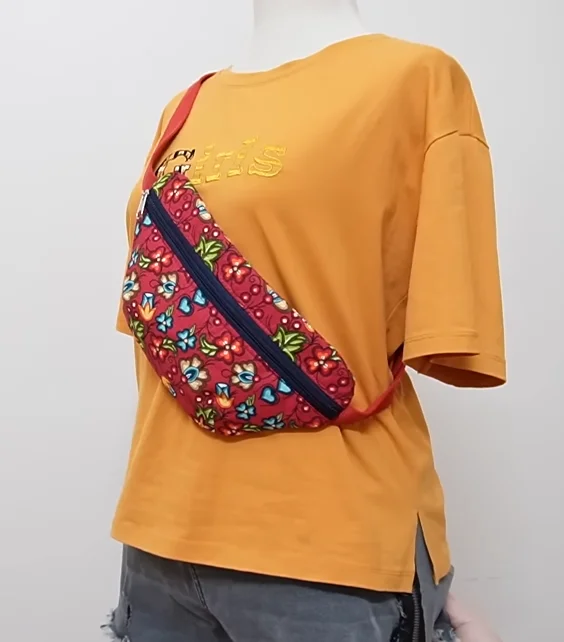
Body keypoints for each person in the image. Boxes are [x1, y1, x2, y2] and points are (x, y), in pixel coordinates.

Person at [106, 1, 506, 640]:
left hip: (327, 557)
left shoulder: (417, 80)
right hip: (159, 544)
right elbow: (160, 330)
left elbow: (447, 325)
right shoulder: (184, 107)